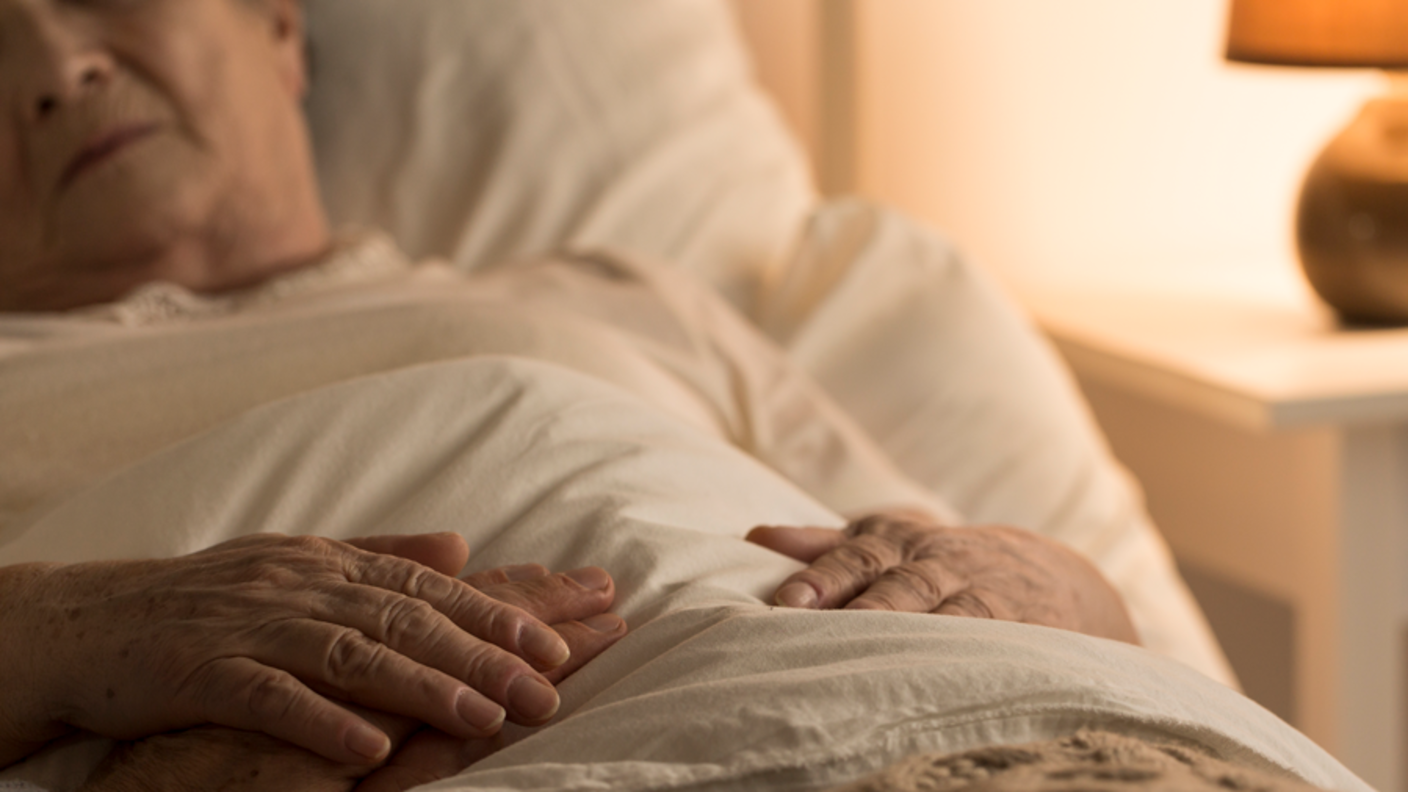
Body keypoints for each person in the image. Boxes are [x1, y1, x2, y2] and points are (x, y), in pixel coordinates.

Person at [0, 0, 1140, 789]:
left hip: (964, 736)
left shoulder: (630, 300)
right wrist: (63, 631)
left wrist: (1053, 583)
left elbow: (1035, 598)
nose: (53, 73)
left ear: (278, 25)